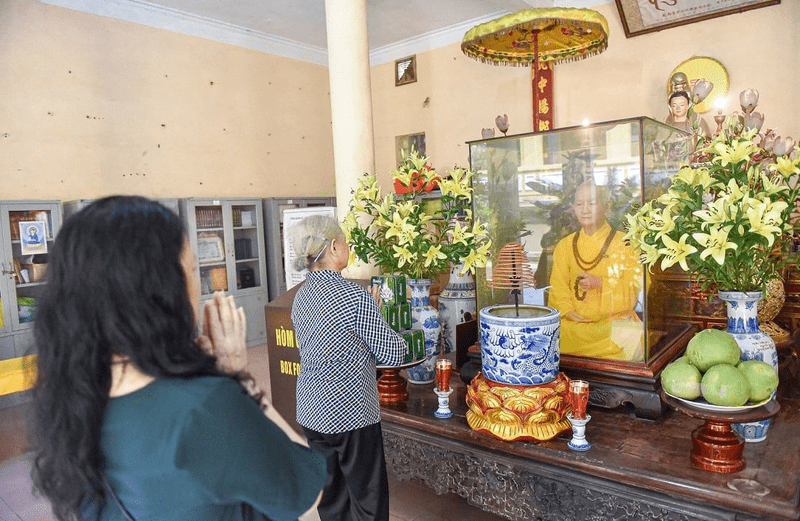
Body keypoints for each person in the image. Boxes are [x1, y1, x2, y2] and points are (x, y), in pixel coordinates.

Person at [29, 196, 326, 521]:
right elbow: (305, 494)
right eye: (193, 271)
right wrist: (238, 376)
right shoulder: (203, 406)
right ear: (162, 290)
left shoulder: (71, 397)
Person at [290, 215, 407, 521]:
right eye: (345, 241)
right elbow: (393, 353)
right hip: (351, 413)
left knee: (332, 498)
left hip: (311, 410)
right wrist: (381, 320)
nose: (348, 247)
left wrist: (371, 317)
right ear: (333, 246)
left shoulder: (301, 296)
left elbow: (329, 341)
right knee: (368, 499)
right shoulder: (354, 296)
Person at [548, 181, 644, 360]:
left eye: (591, 203)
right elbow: (558, 288)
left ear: (606, 207)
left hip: (611, 324)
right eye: (579, 204)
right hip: (576, 328)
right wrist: (568, 312)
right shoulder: (565, 246)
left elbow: (635, 286)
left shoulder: (625, 243)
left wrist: (600, 283)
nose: (585, 209)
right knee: (555, 334)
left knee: (630, 334)